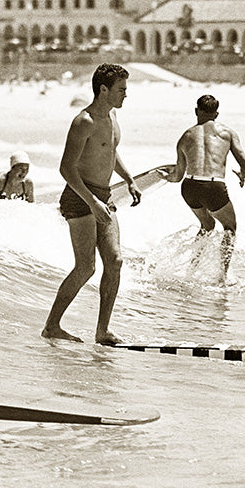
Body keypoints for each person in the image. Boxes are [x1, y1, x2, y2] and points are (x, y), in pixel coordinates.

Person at [42, 64, 141, 344]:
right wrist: (93, 201)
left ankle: (102, 331)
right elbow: (66, 168)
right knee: (86, 267)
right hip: (79, 195)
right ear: (104, 89)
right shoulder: (83, 121)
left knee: (115, 260)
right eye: (121, 89)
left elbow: (110, 151)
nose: (125, 94)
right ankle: (52, 326)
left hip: (104, 195)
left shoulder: (112, 116)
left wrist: (130, 178)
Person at [166, 94, 245, 283]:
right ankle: (222, 276)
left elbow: (178, 176)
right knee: (230, 227)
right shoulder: (227, 133)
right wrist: (242, 175)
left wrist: (167, 176)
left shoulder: (185, 136)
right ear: (217, 114)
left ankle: (191, 269)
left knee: (207, 225)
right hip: (213, 186)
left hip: (189, 187)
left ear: (197, 111)